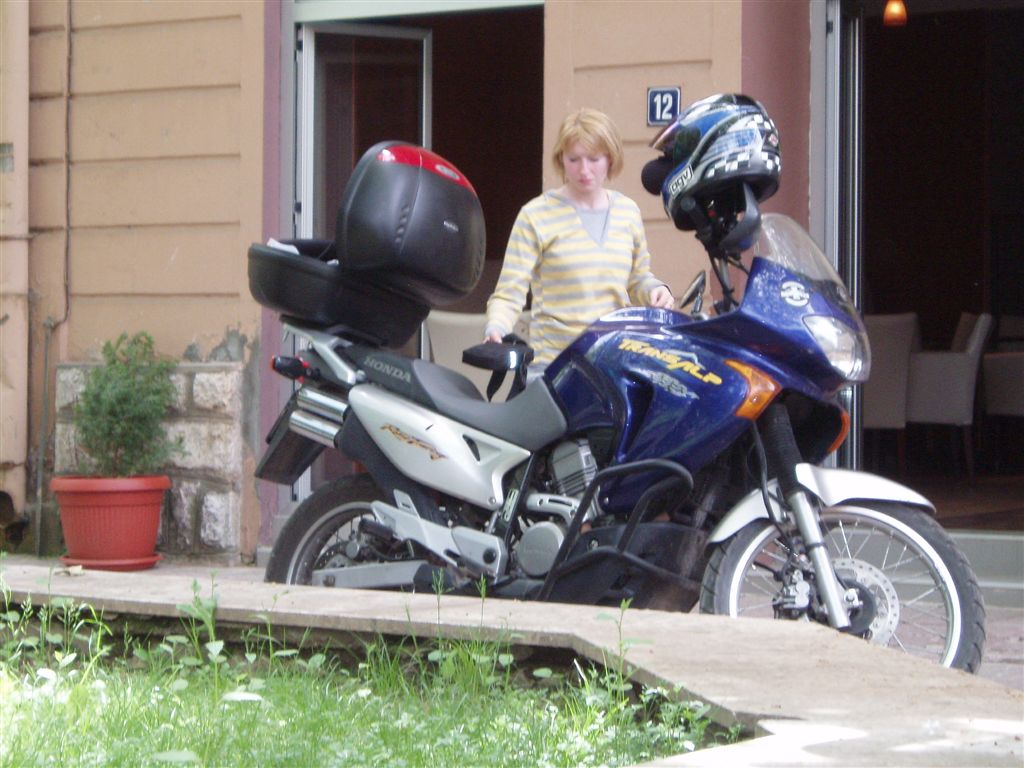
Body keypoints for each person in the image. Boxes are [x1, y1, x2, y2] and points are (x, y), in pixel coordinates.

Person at [484, 107, 674, 371]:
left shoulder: (627, 212)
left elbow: (637, 279)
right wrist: (496, 327)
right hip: (555, 368)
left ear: (610, 158)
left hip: (612, 364)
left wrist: (656, 290)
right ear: (561, 159)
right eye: (574, 159)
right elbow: (509, 294)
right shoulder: (535, 215)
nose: (584, 170)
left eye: (594, 159)